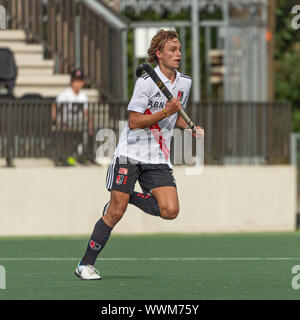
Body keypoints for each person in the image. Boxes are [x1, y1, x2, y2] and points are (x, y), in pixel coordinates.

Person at [74, 30, 204, 280]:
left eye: (179, 49)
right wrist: (165, 112)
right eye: (172, 50)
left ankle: (128, 196)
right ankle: (85, 265)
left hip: (157, 157)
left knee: (170, 210)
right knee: (115, 212)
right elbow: (134, 121)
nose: (178, 54)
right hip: (129, 154)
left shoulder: (184, 83)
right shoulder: (145, 82)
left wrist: (189, 126)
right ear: (159, 54)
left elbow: (175, 117)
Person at [51, 68, 89, 165]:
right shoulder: (65, 94)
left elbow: (86, 112)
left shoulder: (83, 96)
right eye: (75, 81)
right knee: (67, 133)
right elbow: (54, 105)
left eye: (80, 81)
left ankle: (82, 155)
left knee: (87, 131)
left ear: (83, 82)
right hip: (65, 123)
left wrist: (89, 122)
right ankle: (66, 156)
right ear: (71, 82)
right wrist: (55, 120)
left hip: (78, 123)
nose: (78, 83)